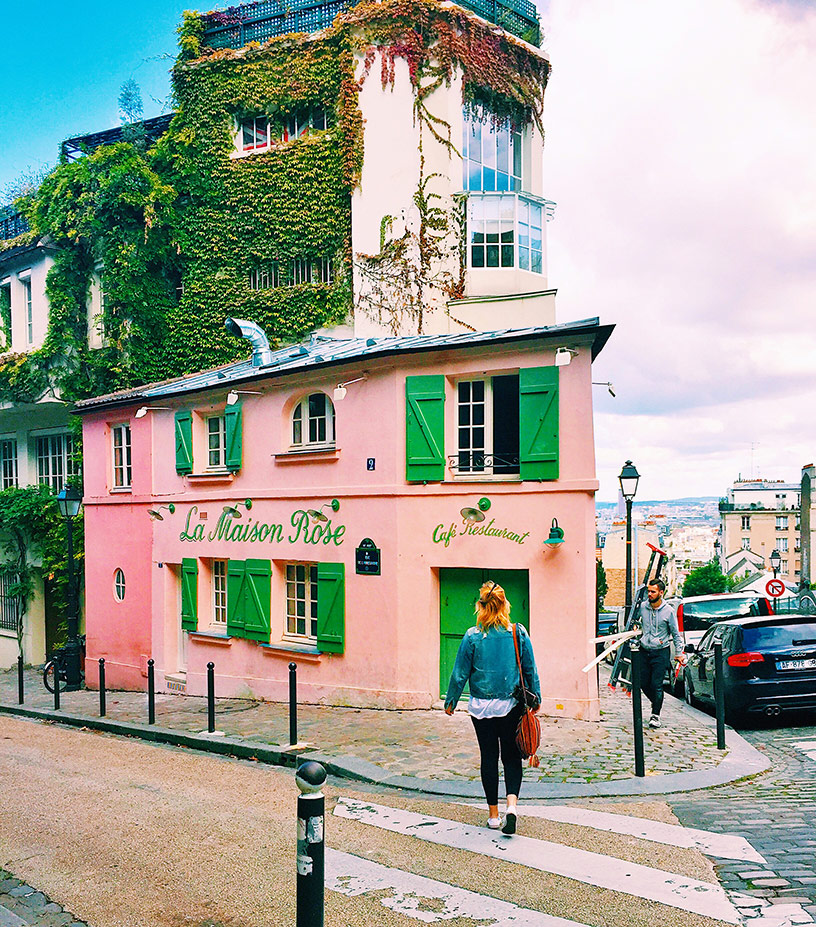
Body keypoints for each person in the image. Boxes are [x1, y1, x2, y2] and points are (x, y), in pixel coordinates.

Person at [444, 580, 540, 835]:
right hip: (511, 704)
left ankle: (494, 815)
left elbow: (459, 672)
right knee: (511, 756)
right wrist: (536, 698)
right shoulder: (517, 633)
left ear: (481, 606)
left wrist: (451, 700)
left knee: (489, 757)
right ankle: (512, 807)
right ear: (505, 604)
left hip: (481, 707)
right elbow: (530, 669)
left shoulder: (472, 636)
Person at [636, 577, 682, 729]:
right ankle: (656, 701)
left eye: (653, 592)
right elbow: (634, 622)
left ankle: (655, 715)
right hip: (644, 650)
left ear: (661, 593)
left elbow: (675, 633)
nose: (650, 594)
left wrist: (679, 653)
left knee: (656, 684)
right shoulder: (643, 607)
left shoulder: (669, 611)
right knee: (643, 683)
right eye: (649, 591)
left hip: (661, 651)